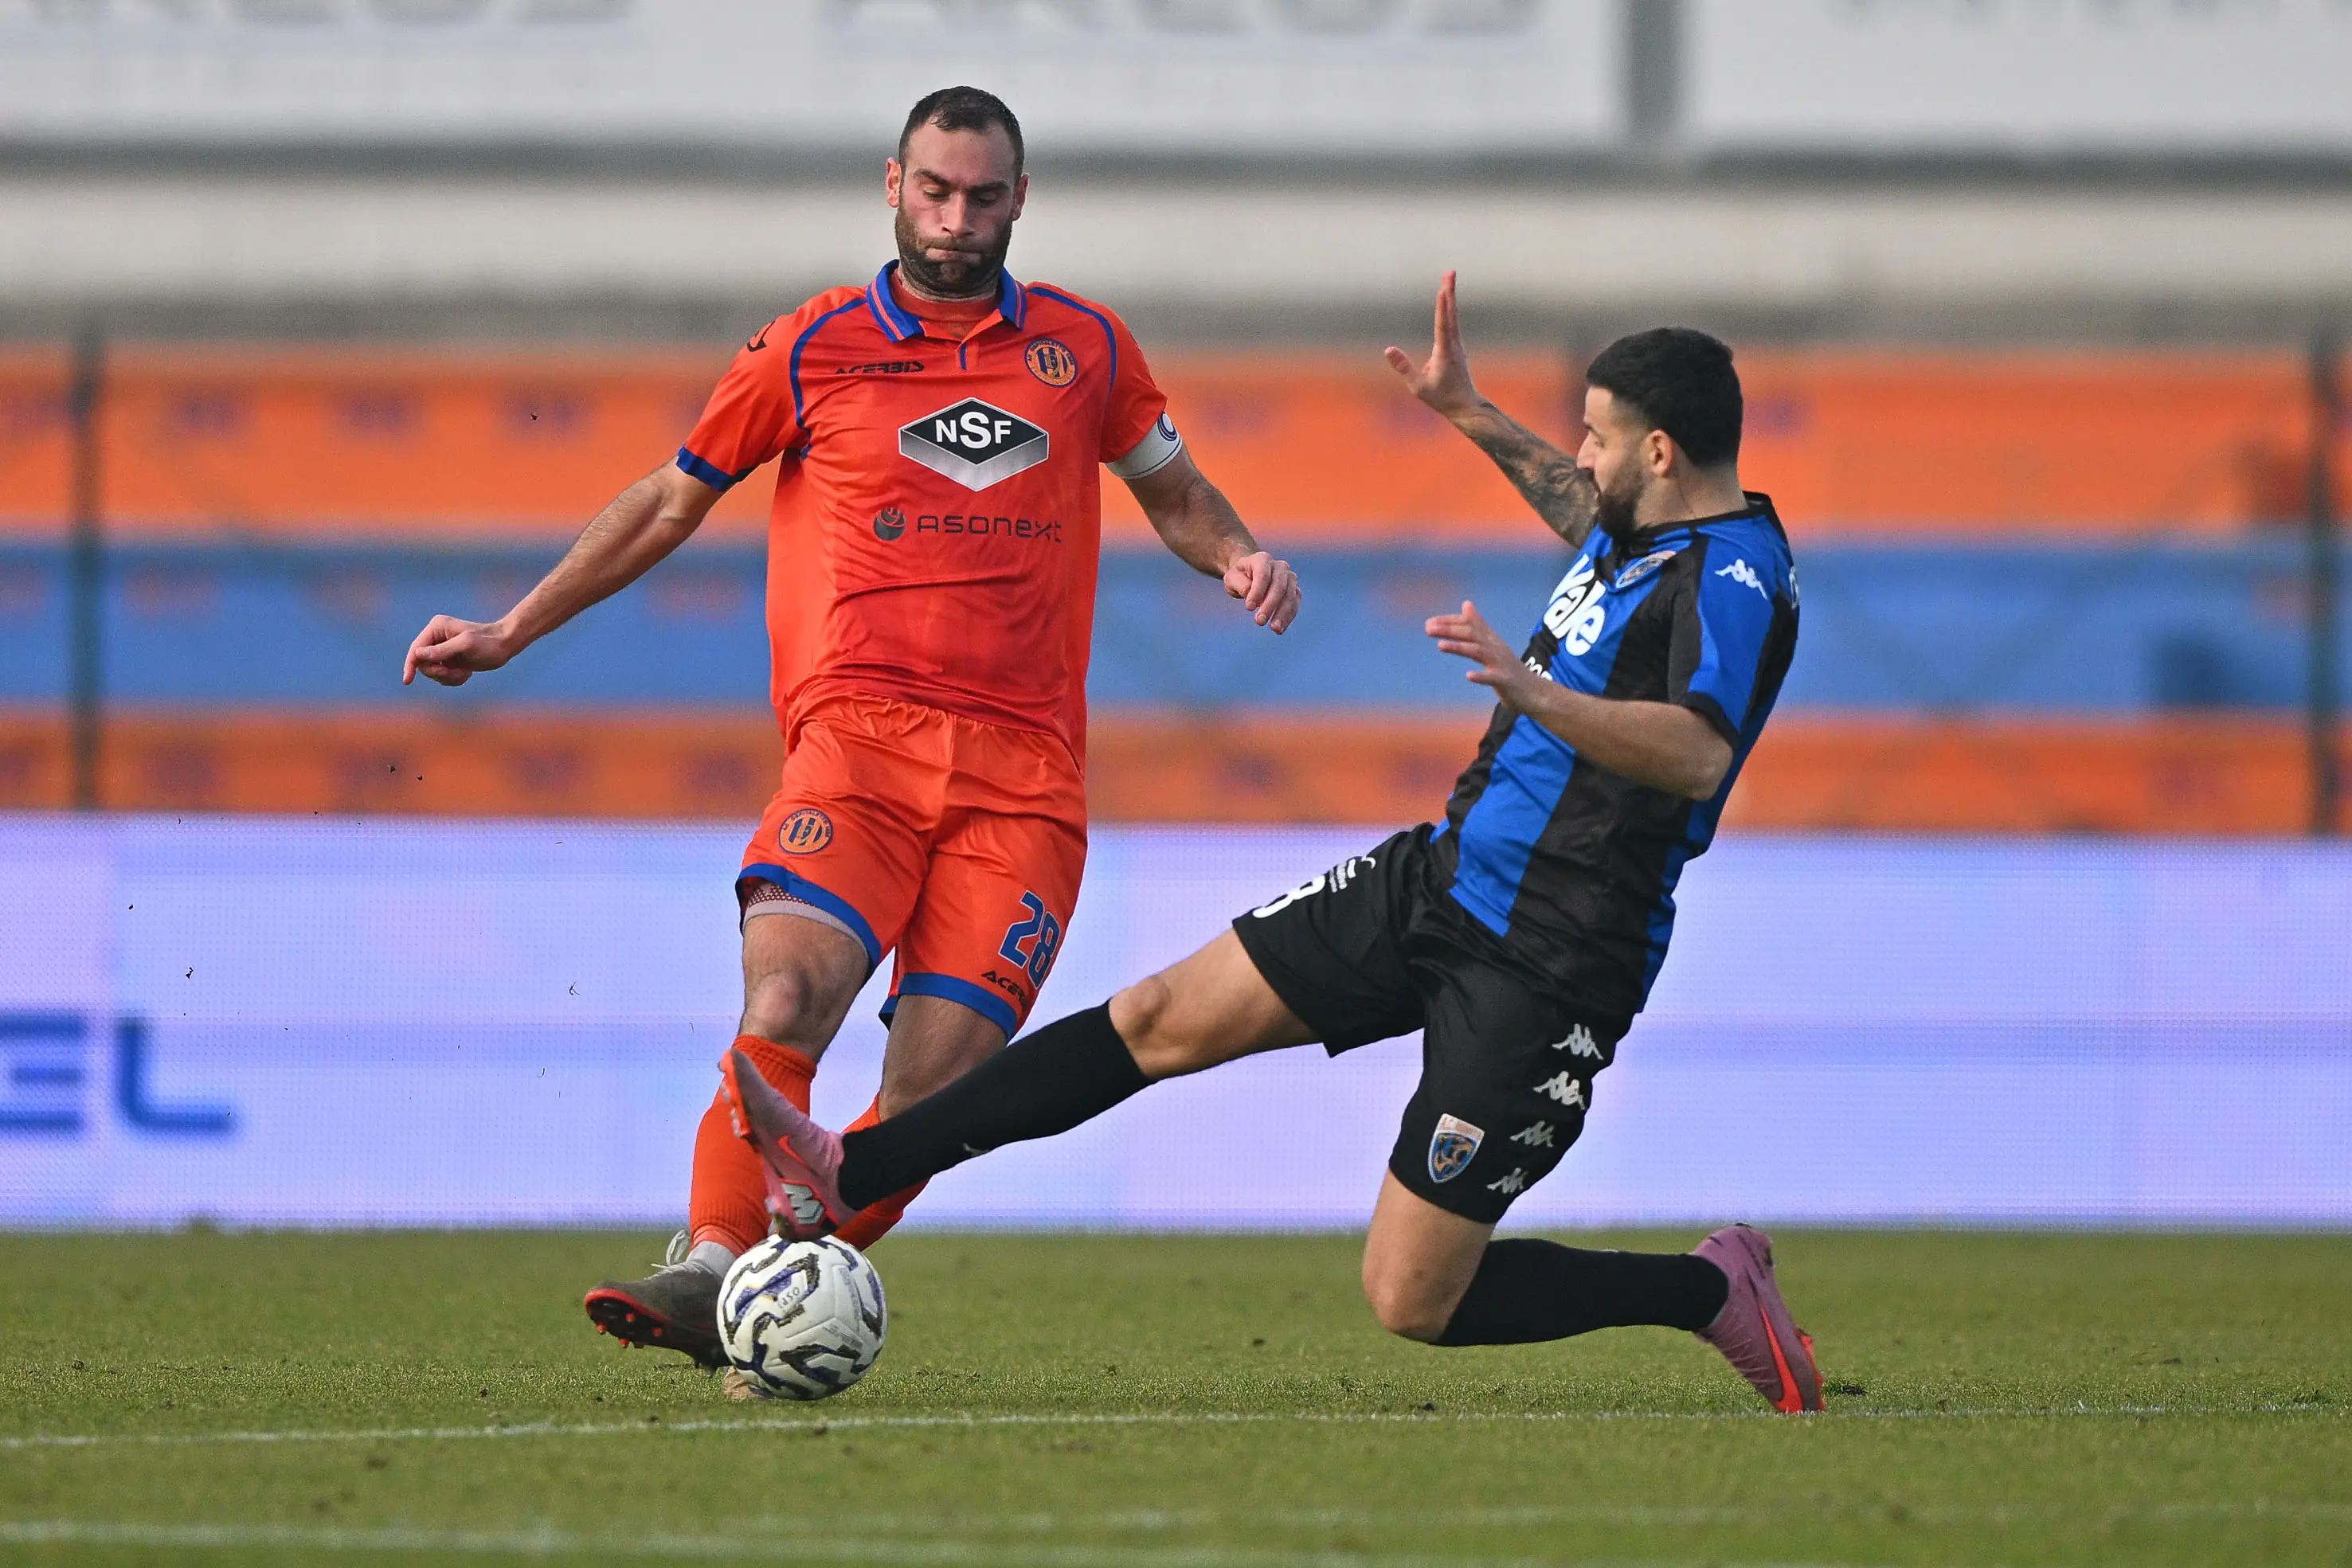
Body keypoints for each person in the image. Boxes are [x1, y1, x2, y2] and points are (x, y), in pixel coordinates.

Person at [720, 276, 1824, 1412]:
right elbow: (1576, 508)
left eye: (1596, 441)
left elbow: (1697, 754)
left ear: (1659, 452)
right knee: (1158, 1019)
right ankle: (849, 1167)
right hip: (1439, 880)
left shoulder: (1736, 579)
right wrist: (1466, 408)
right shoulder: (1640, 528)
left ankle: (1705, 1291)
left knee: (1413, 1297)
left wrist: (1531, 693)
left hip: (1554, 955)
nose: (1579, 460)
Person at [401, 86, 1300, 1377]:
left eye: (983, 197)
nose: (956, 219)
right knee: (789, 991)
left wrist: (1241, 555)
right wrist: (512, 630)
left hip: (1027, 783)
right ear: (893, 185)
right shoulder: (811, 345)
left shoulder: (1085, 349)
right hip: (857, 746)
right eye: (935, 191)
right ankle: (713, 1270)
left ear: (1021, 200)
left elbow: (1175, 489)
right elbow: (668, 501)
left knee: (931, 1108)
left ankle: (780, 1272)